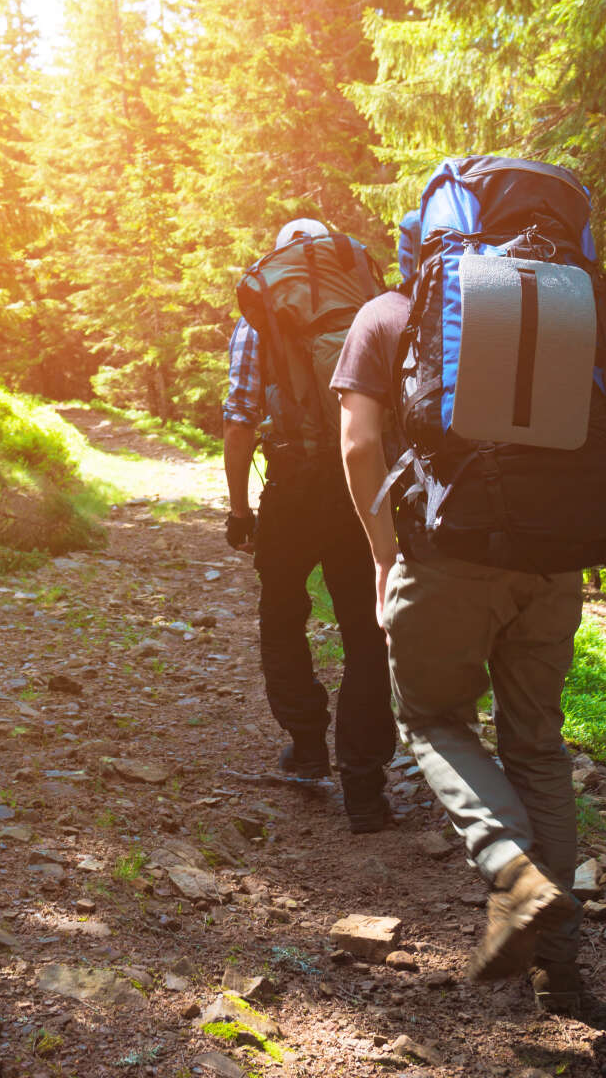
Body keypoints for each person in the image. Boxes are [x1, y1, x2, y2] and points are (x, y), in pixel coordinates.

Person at [331, 216, 586, 1013]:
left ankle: (512, 871)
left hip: (447, 556)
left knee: (434, 719)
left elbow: (358, 445)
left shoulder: (389, 312)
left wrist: (380, 553)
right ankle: (562, 965)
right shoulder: (569, 307)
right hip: (552, 561)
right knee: (538, 746)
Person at [222, 217, 395, 834]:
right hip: (357, 487)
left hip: (292, 484)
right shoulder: (371, 309)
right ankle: (366, 788)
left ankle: (306, 747)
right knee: (365, 630)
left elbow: (241, 419)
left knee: (282, 614)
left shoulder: (259, 319)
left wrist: (240, 507)